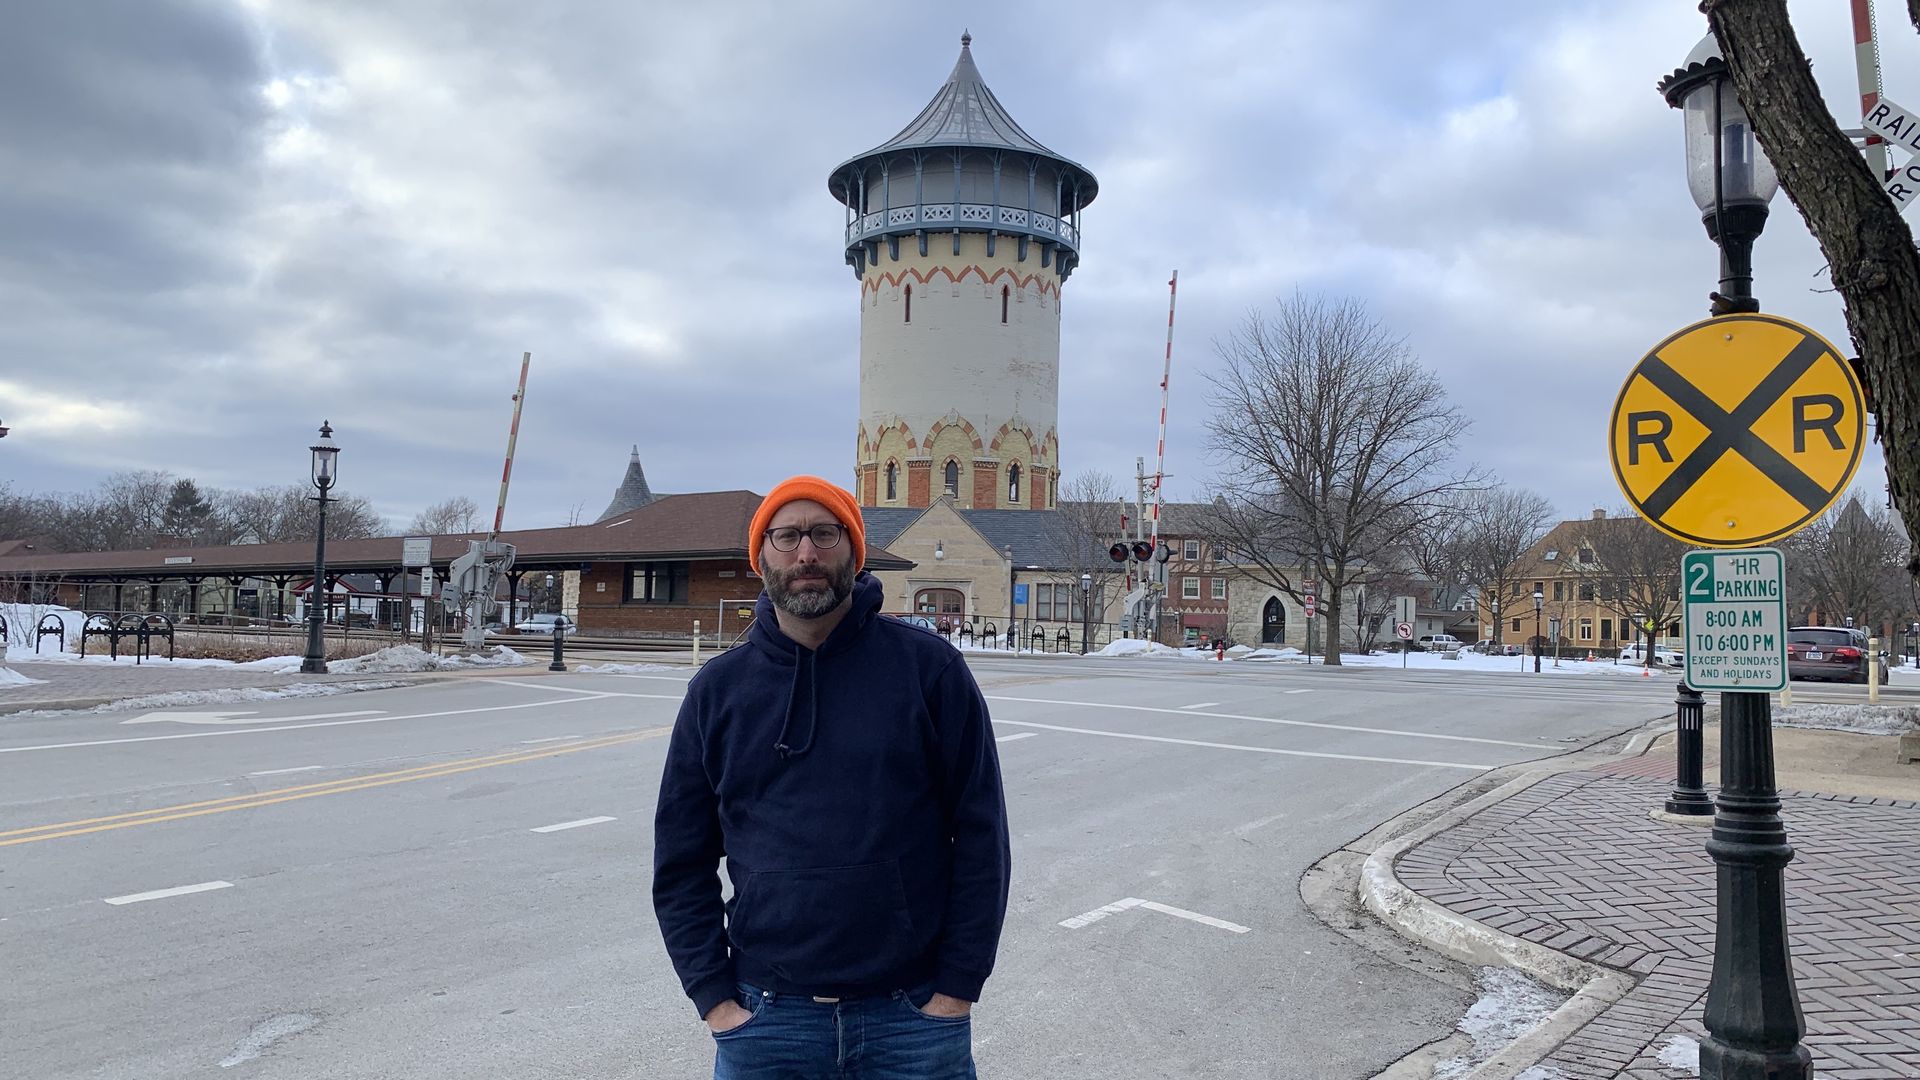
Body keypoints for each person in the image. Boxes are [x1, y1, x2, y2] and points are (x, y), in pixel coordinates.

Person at [653, 476, 1010, 1079]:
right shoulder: (717, 693)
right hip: (768, 1022)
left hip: (913, 1021)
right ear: (761, 554)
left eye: (825, 533)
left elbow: (981, 841)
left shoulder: (930, 673)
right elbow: (681, 862)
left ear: (854, 548)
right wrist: (715, 999)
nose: (806, 553)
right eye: (786, 536)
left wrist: (955, 991)